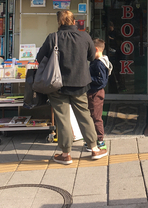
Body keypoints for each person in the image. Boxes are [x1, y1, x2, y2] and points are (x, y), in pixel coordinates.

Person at [36, 10, 108, 165]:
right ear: (74, 21)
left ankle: (66, 154)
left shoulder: (52, 37)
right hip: (80, 83)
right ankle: (94, 149)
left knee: (62, 119)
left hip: (57, 85)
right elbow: (90, 57)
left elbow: (39, 58)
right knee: (85, 116)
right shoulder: (84, 36)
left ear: (59, 22)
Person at [85, 38, 112, 151]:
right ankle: (94, 139)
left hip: (96, 92)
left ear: (96, 49)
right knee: (92, 115)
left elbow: (101, 81)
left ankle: (100, 140)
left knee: (96, 117)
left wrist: (88, 78)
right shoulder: (98, 62)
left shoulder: (99, 64)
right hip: (94, 92)